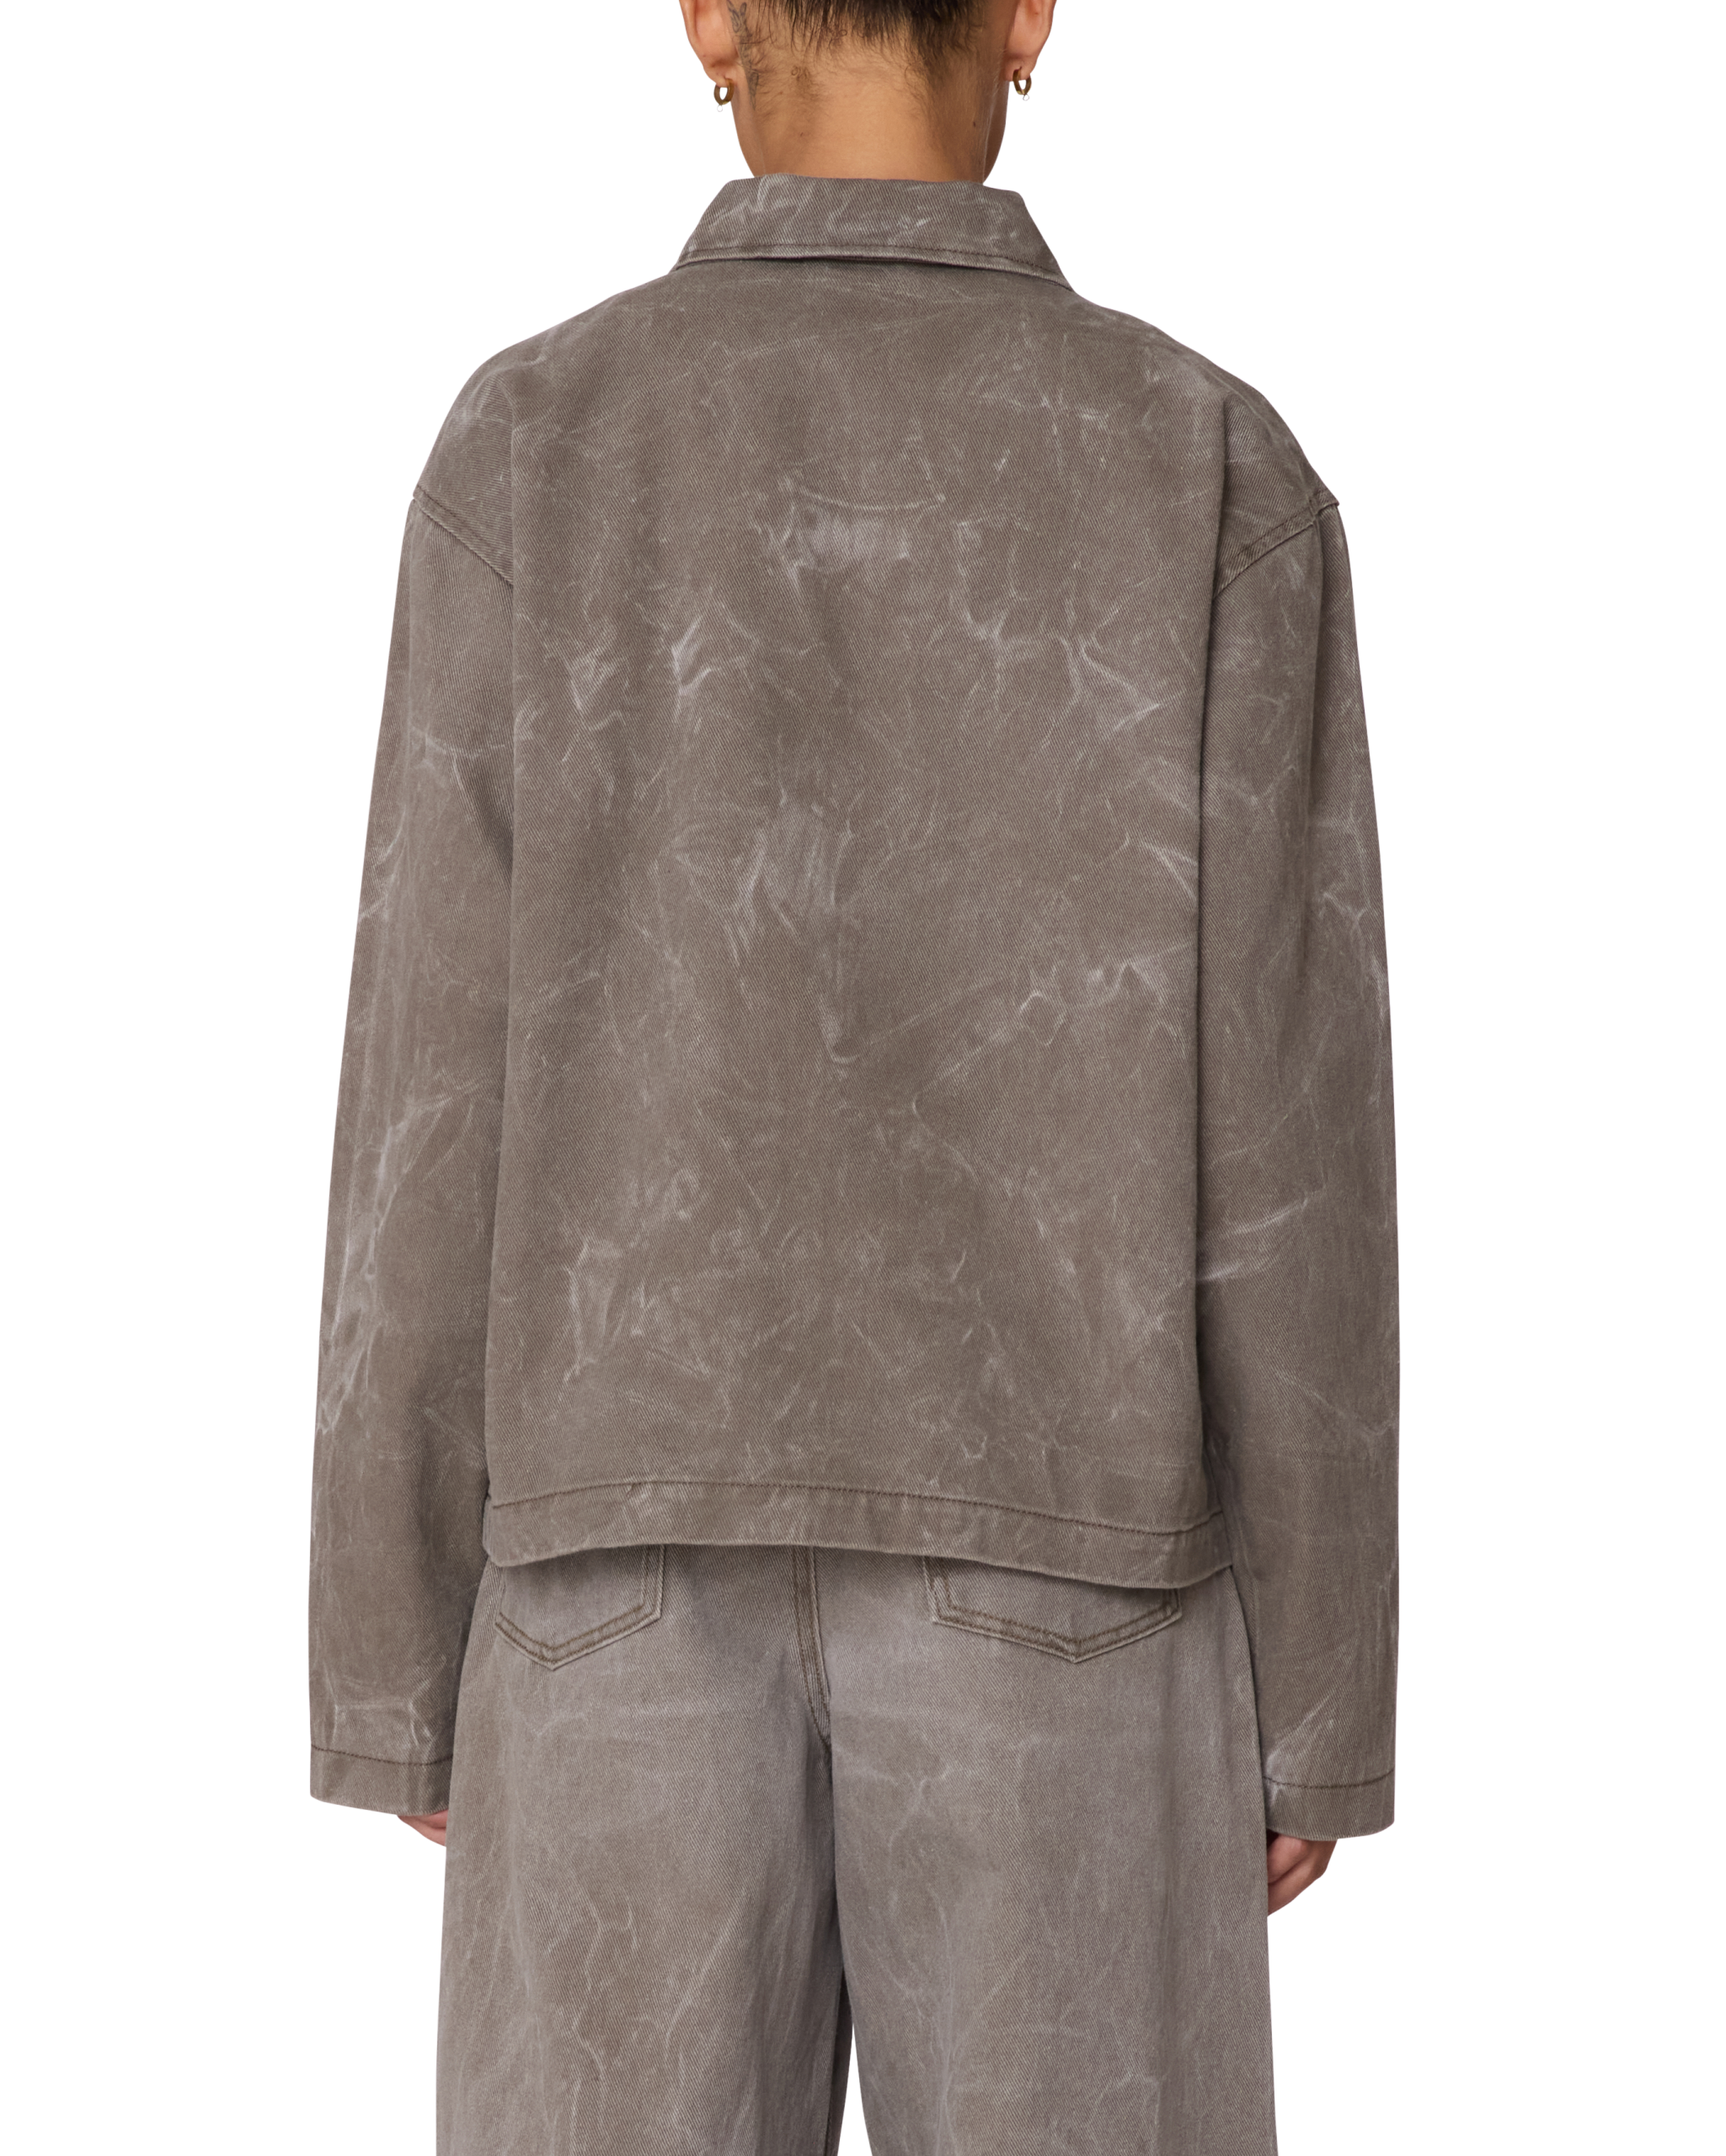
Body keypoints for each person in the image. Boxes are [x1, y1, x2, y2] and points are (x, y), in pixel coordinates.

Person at [307, 1, 1401, 2148]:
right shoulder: (1202, 455)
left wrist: (387, 1641)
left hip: (608, 1556)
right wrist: (1325, 1679)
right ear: (1030, 12)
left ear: (708, 15)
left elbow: (429, 1074)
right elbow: (1289, 1125)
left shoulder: (531, 434)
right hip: (1081, 1554)